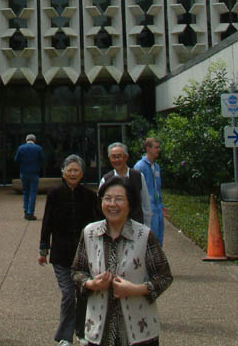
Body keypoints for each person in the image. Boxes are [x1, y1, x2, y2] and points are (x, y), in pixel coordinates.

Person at [72, 176, 172, 346]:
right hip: (98, 330)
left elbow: (164, 276)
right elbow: (76, 271)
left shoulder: (144, 235)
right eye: (107, 199)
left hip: (139, 331)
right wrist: (91, 284)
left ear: (130, 204)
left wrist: (135, 289)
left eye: (119, 199)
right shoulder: (89, 233)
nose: (112, 204)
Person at [38, 155, 101, 346]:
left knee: (82, 294)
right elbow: (47, 222)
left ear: (82, 174)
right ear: (63, 173)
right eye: (69, 170)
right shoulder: (54, 194)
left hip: (84, 254)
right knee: (67, 295)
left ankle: (81, 332)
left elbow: (98, 223)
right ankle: (65, 336)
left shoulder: (89, 196)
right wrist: (43, 249)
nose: (73, 173)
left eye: (76, 170)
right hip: (61, 254)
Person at [99, 142, 151, 227]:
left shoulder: (138, 176)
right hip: (114, 226)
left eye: (119, 156)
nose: (116, 160)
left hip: (136, 226)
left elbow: (146, 205)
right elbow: (102, 206)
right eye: (113, 157)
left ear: (126, 157)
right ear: (109, 158)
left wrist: (147, 227)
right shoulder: (105, 179)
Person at [134, 139, 165, 246]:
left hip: (157, 208)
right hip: (148, 209)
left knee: (159, 239)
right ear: (148, 149)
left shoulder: (156, 167)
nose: (158, 150)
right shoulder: (140, 167)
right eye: (156, 147)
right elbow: (137, 190)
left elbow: (157, 188)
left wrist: (161, 206)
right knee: (150, 239)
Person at [14, 133, 44, 220]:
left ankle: (25, 210)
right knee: (33, 193)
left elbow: (16, 160)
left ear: (26, 140)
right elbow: (43, 159)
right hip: (34, 173)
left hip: (23, 172)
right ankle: (31, 212)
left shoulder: (21, 148)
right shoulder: (38, 148)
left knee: (25, 192)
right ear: (34, 140)